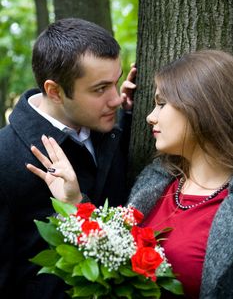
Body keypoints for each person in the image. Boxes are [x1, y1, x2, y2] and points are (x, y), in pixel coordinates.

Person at [32, 49, 233, 299]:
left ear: (201, 107)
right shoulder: (157, 179)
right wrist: (73, 203)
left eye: (161, 104)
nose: (150, 117)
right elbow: (114, 264)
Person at [0, 18, 136, 298]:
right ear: (55, 91)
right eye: (100, 89)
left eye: (116, 82)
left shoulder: (111, 128)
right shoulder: (5, 157)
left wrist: (132, 118)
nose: (115, 99)